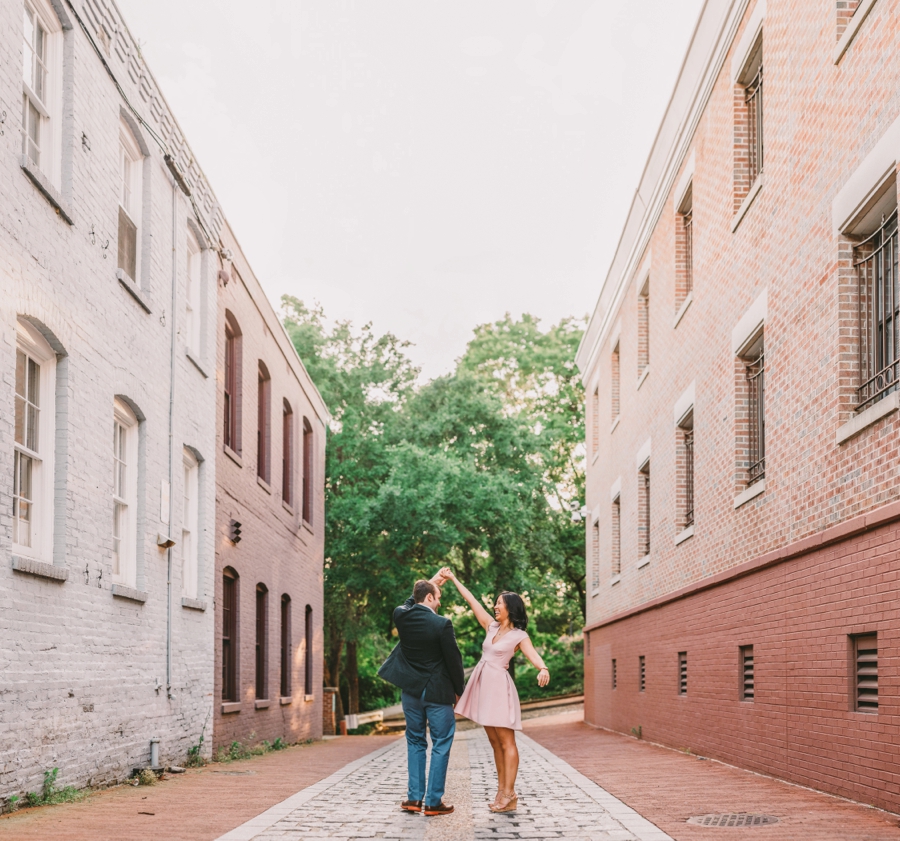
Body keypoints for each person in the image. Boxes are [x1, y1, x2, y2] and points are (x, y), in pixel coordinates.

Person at [440, 567, 549, 813]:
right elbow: (472, 600)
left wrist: (543, 668)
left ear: (511, 608)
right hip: (483, 687)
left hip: (499, 688)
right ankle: (502, 790)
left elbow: (534, 655)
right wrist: (454, 579)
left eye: (499, 603)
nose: (495, 606)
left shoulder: (519, 635)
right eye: (495, 603)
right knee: (494, 741)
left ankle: (510, 793)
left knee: (507, 741)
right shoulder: (490, 627)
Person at [378, 570, 464, 817]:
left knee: (415, 741)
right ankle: (434, 802)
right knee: (441, 742)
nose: (439, 603)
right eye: (437, 597)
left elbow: (410, 603)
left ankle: (415, 798)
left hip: (411, 692)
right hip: (437, 693)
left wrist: (432, 582)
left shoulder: (401, 616)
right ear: (429, 598)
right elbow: (454, 661)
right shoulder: (442, 624)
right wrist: (459, 691)